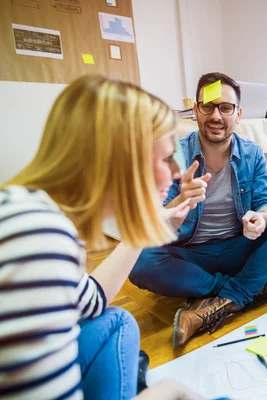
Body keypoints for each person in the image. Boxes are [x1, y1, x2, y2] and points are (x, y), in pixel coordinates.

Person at [0, 76, 204, 399]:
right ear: (121, 157)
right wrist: (169, 391)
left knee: (119, 319)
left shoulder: (28, 212)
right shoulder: (38, 238)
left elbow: (91, 301)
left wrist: (147, 227)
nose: (178, 172)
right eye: (167, 158)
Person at [129, 72, 267, 347]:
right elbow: (152, 227)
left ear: (238, 114)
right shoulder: (173, 154)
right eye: (208, 106)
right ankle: (252, 288)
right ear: (196, 111)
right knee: (139, 261)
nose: (216, 116)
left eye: (225, 108)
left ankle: (218, 300)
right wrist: (179, 203)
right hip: (189, 254)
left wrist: (261, 218)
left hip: (238, 246)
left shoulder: (252, 153)